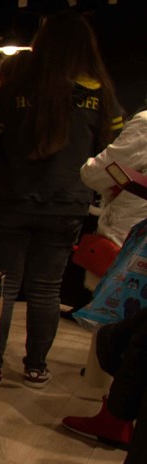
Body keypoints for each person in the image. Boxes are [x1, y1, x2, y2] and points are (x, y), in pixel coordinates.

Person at [0, 10, 123, 388]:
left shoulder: (12, 92)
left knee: (2, 286)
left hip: (8, 203)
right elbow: (112, 156)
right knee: (46, 289)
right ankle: (36, 367)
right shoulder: (101, 97)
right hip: (67, 206)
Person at [61, 102, 147, 445]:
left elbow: (96, 172)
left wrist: (102, 175)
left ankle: (115, 415)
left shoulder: (145, 123)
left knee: (122, 321)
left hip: (131, 234)